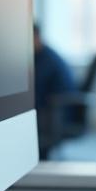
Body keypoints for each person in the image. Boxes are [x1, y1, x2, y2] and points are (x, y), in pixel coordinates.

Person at [33, 24, 77, 159]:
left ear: (36, 37)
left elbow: (36, 92)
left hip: (59, 113)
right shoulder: (45, 54)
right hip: (56, 111)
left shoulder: (46, 60)